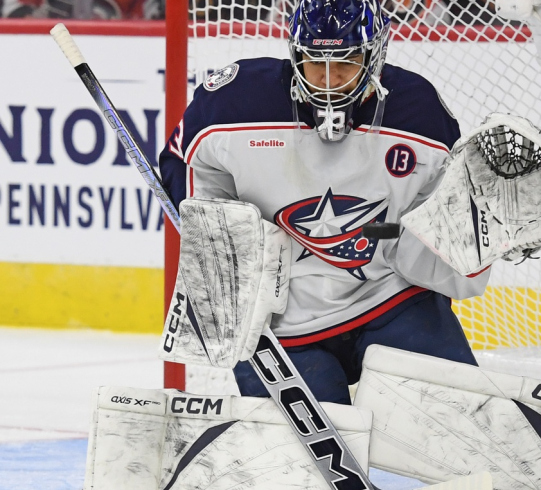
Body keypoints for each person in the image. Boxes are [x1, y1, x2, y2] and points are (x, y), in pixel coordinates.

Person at [158, 0, 490, 405]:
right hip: (277, 321)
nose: (328, 80)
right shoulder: (235, 104)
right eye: (315, 62)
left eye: (346, 63)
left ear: (375, 56)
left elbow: (436, 224)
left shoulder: (419, 114)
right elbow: (183, 159)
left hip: (389, 298)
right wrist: (221, 236)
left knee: (462, 421)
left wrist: (487, 232)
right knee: (306, 458)